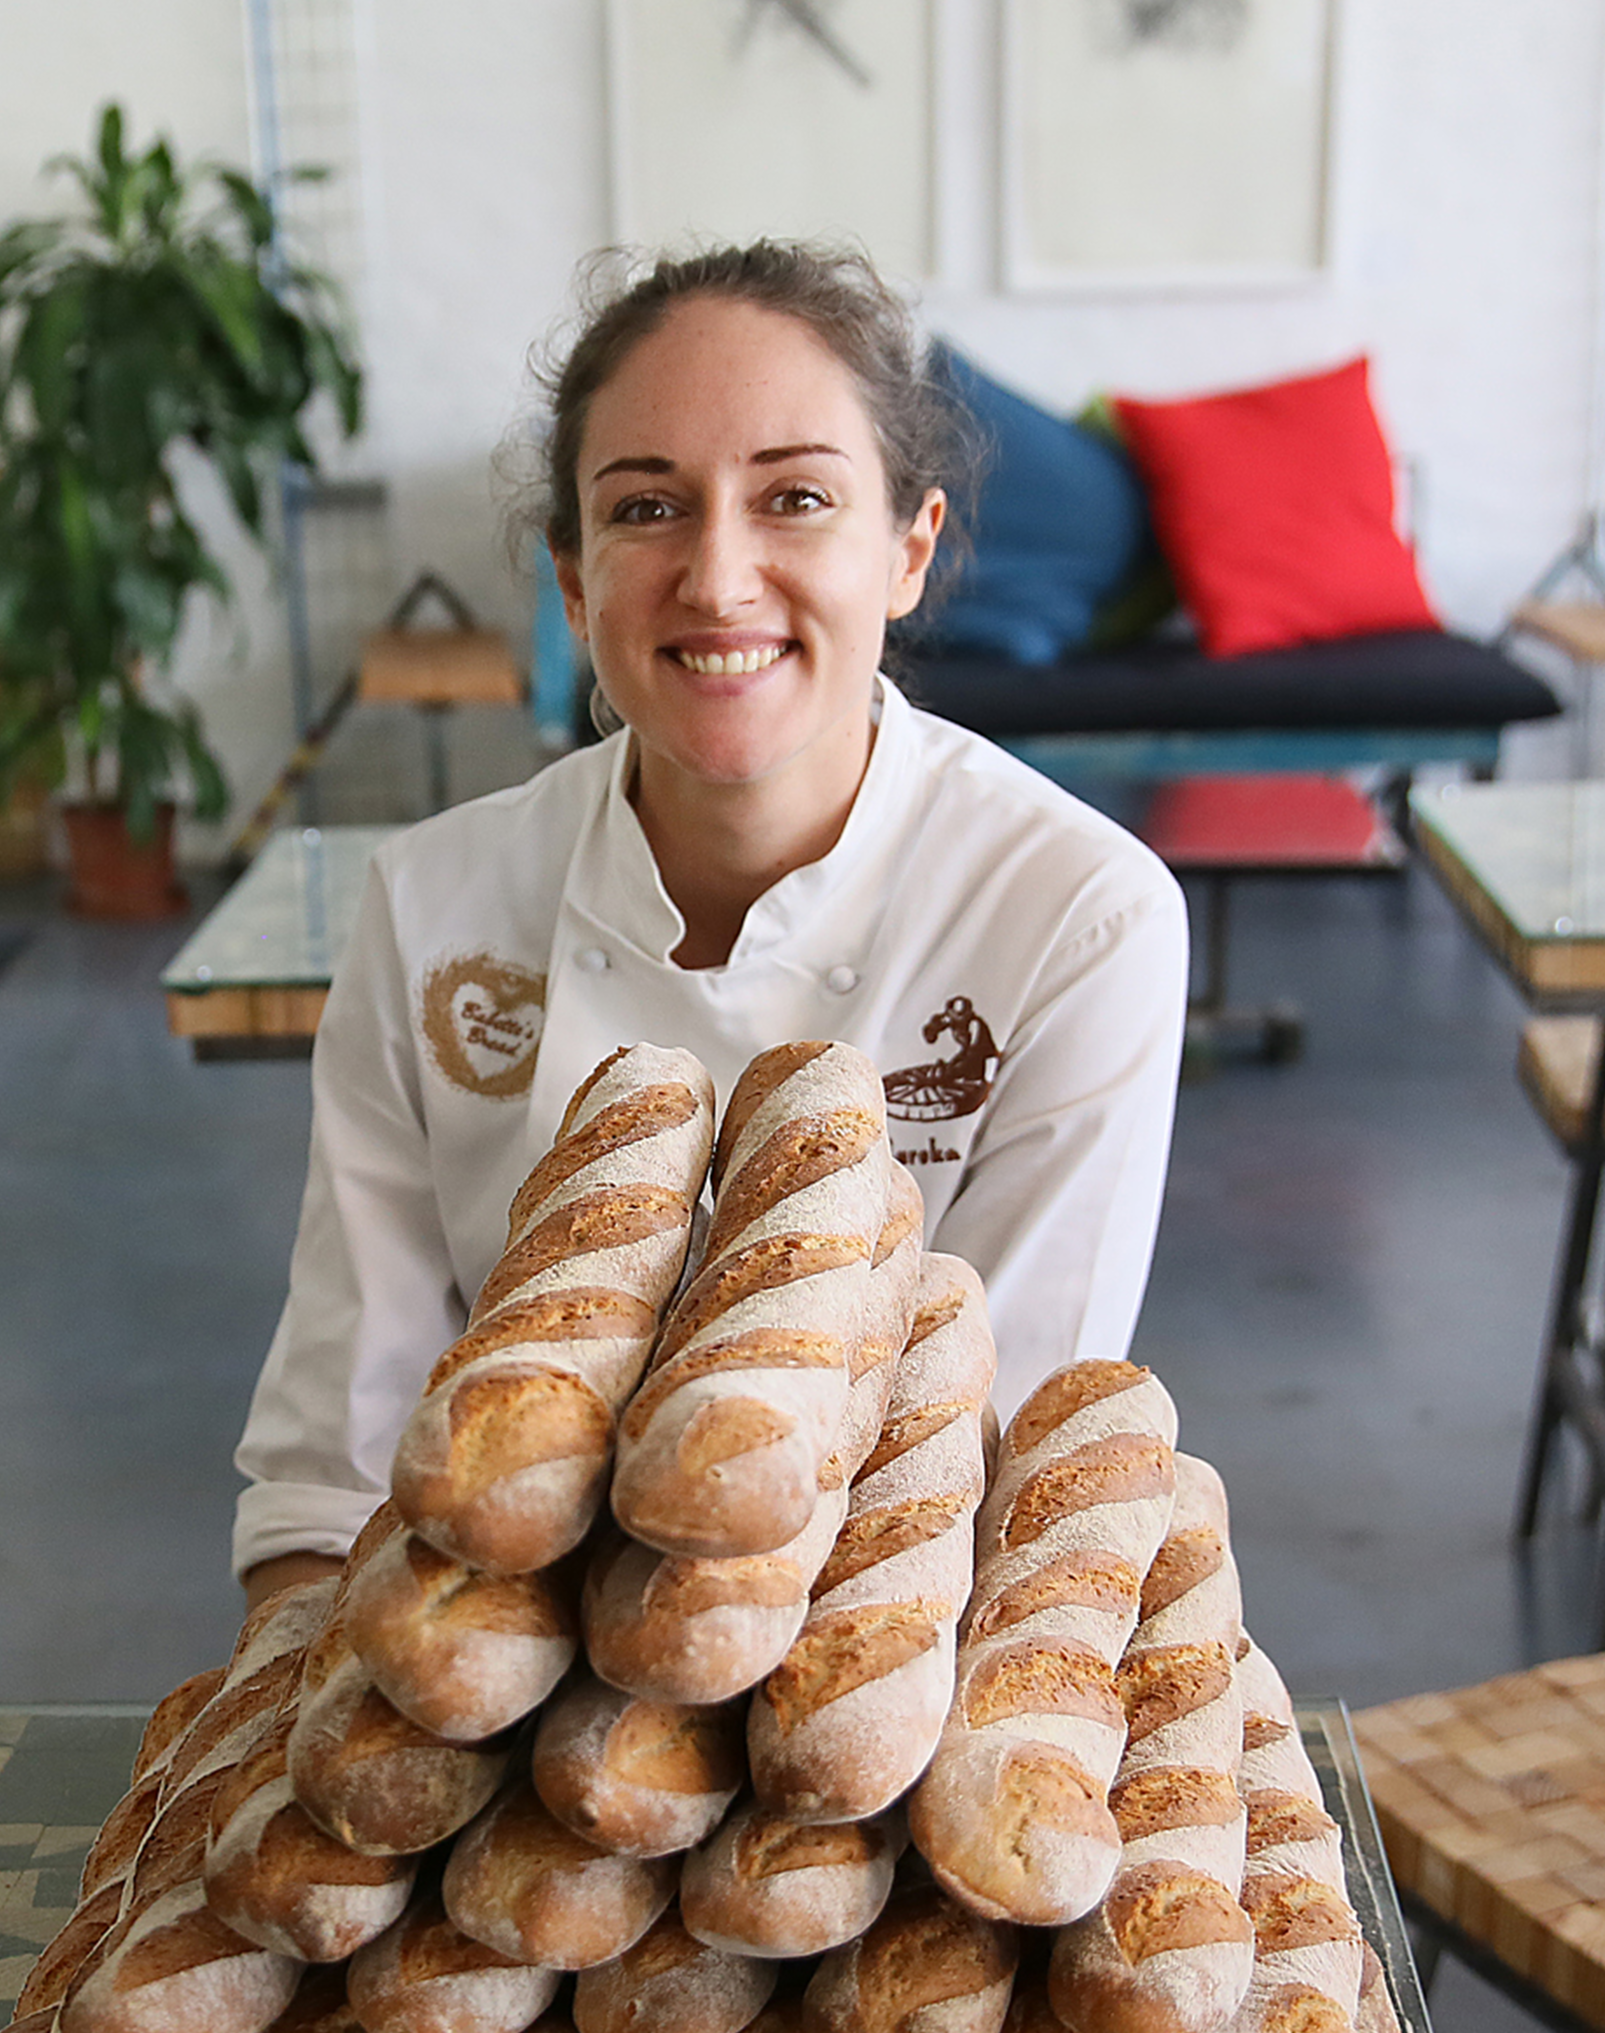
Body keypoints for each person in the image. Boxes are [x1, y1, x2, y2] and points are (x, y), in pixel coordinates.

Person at [235, 242, 1188, 1607]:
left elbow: (979, 1487)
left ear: (908, 553)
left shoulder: (1076, 919)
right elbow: (332, 1473)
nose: (720, 579)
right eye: (646, 510)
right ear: (572, 579)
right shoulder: (433, 907)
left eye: (795, 498)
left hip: (884, 1656)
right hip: (471, 1648)